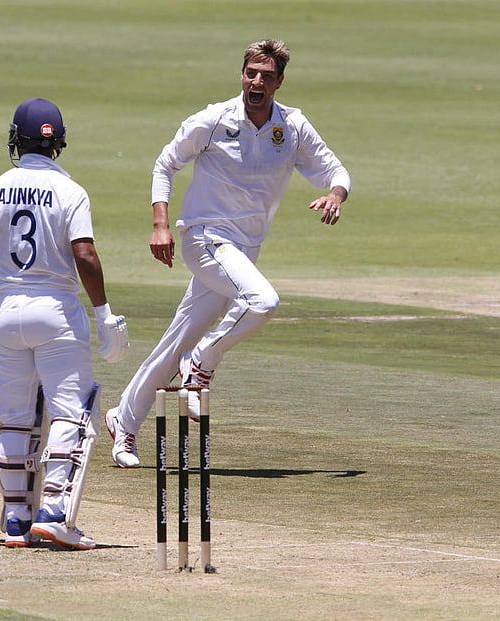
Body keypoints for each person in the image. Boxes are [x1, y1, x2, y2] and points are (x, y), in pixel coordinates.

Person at [104, 40, 351, 468]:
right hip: (205, 238)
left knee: (176, 341)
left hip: (243, 251)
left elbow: (335, 169)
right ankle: (201, 362)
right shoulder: (214, 118)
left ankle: (122, 420)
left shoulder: (292, 126)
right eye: (251, 73)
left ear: (279, 82)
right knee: (263, 302)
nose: (257, 82)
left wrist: (336, 194)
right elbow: (166, 164)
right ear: (241, 74)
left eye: (266, 76)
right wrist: (161, 224)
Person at [0, 97, 129, 548]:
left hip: (7, 313)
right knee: (71, 411)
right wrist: (104, 315)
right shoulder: (70, 191)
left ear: (15, 140)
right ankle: (55, 511)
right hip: (57, 311)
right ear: (58, 141)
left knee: (15, 417)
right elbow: (85, 254)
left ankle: (17, 518)